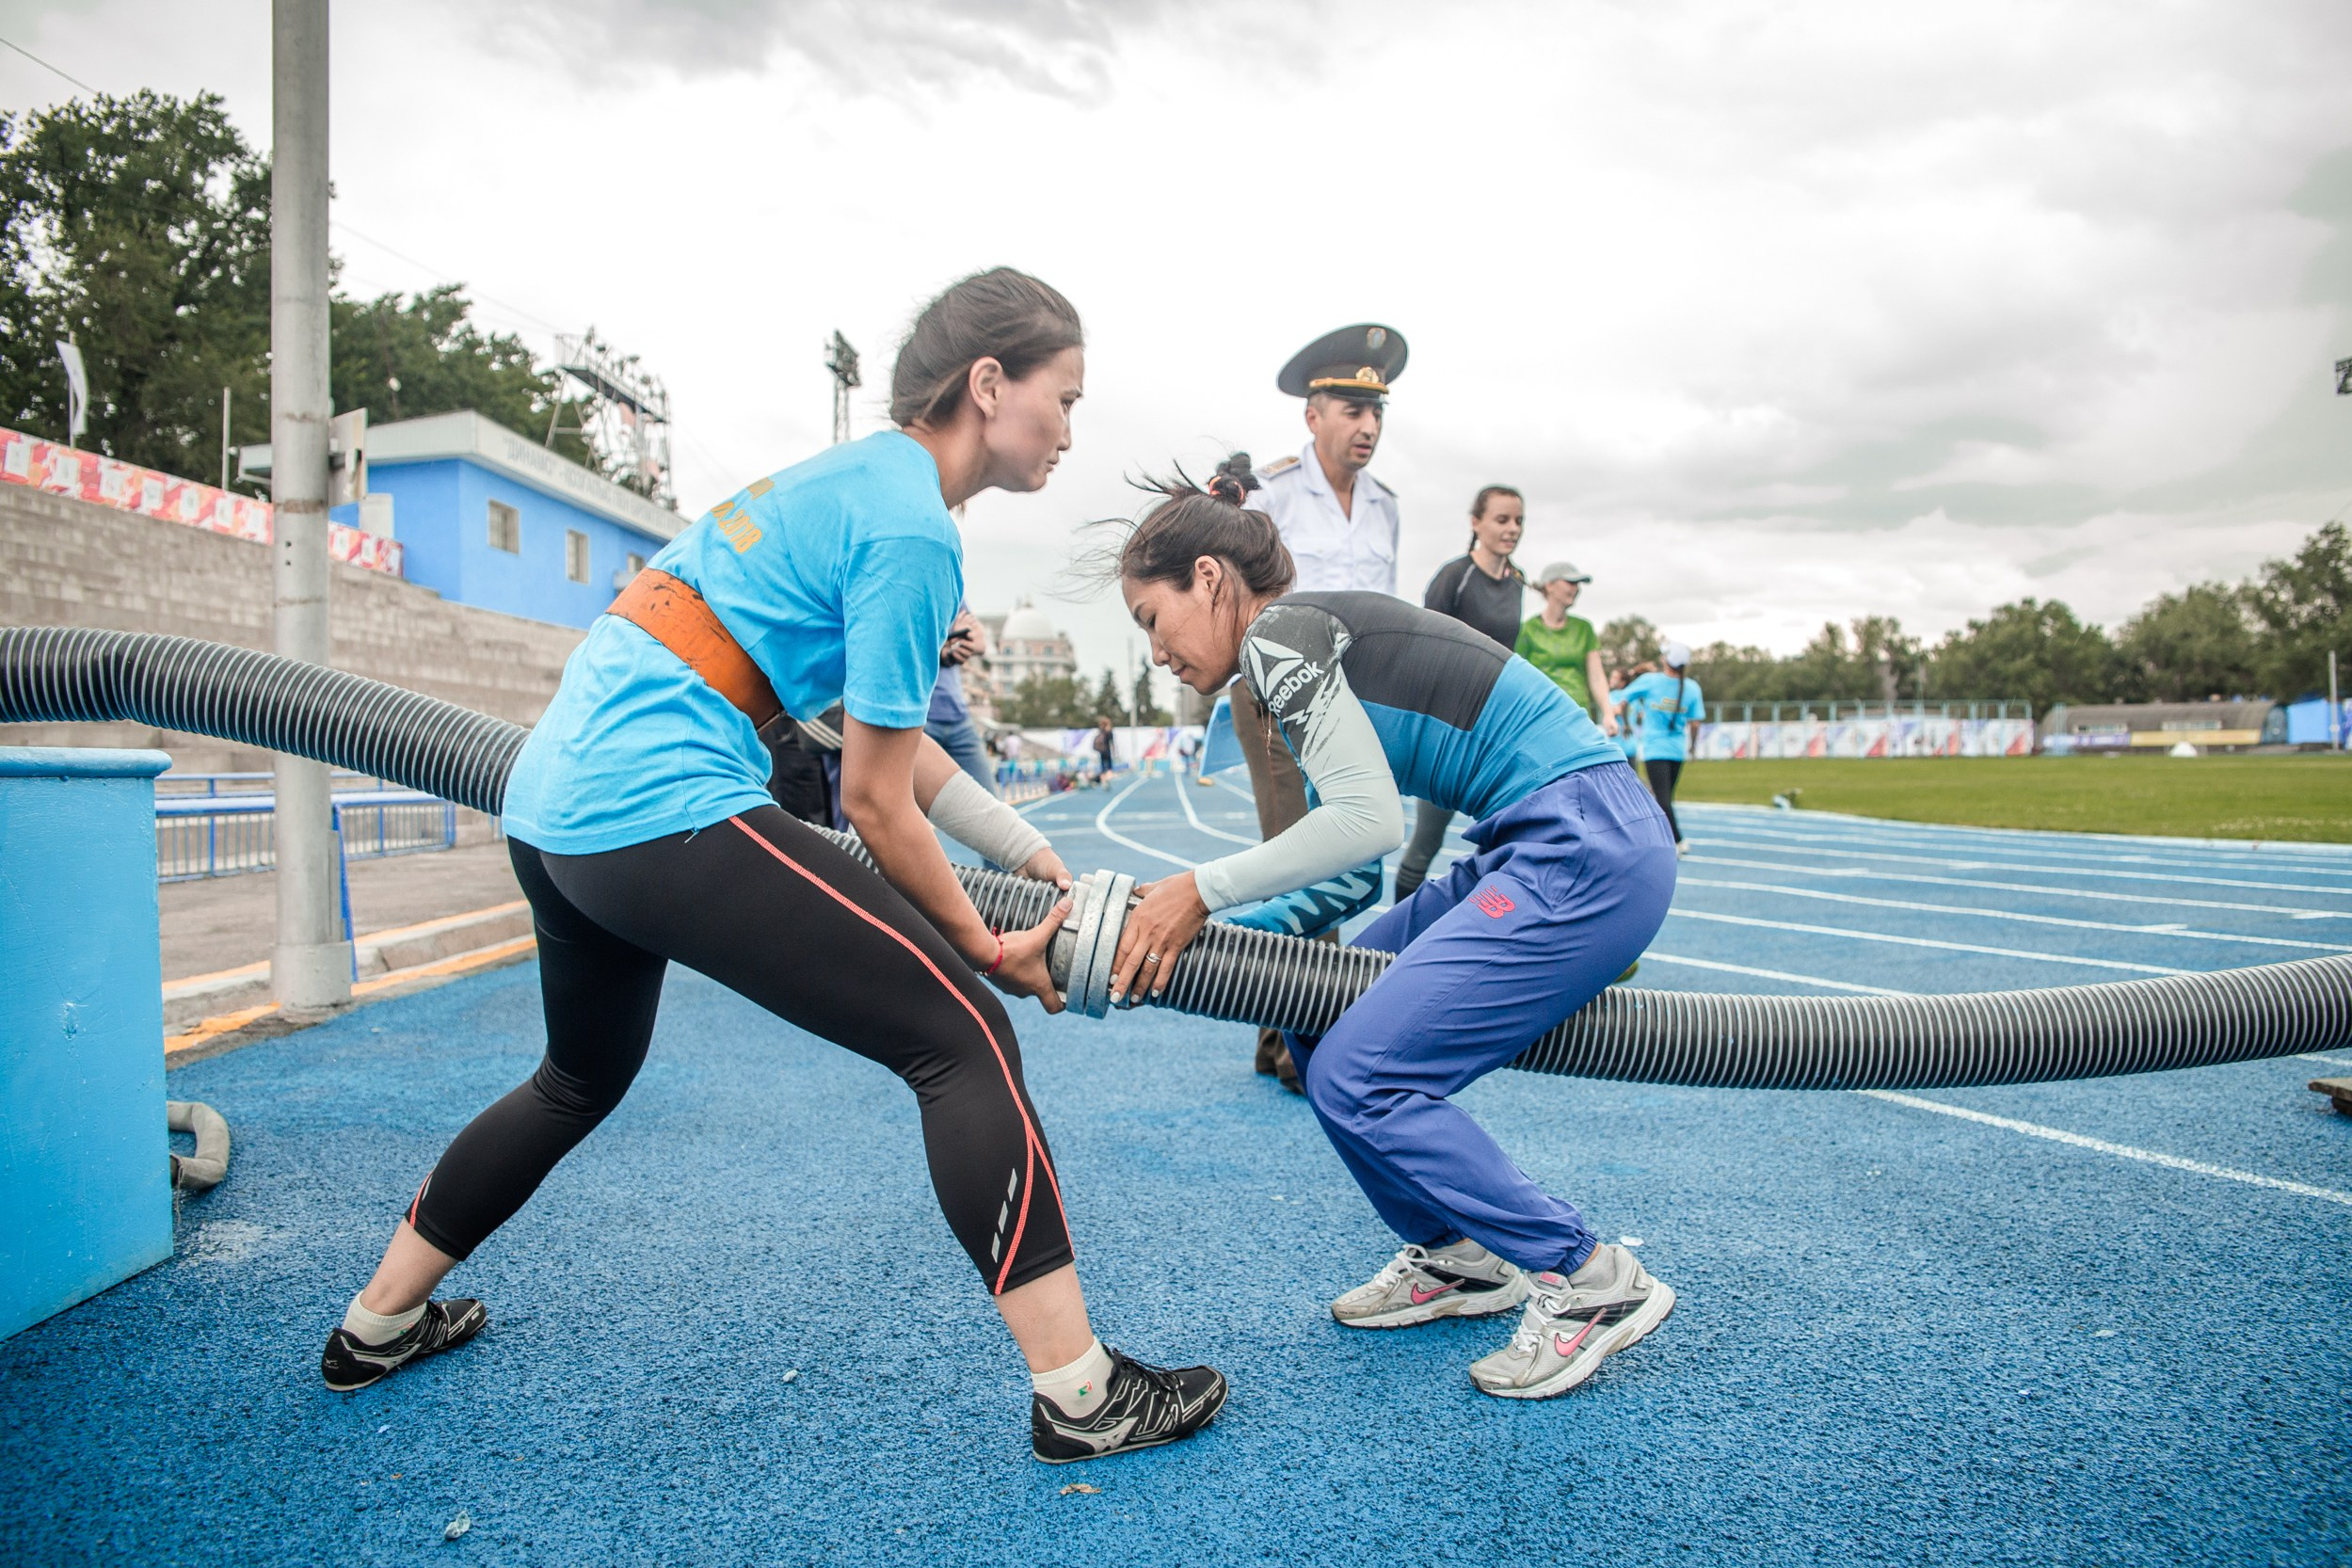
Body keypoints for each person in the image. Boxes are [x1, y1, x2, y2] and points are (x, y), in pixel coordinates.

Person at [317, 269, 1227, 1465]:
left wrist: (1031, 851)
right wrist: (981, 944)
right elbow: (875, 804)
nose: (1069, 427)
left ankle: (374, 1324)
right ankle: (1082, 1392)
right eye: (1064, 396)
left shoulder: (851, 486)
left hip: (552, 809)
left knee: (576, 1078)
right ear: (990, 384)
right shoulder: (913, 528)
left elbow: (878, 741)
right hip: (654, 804)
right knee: (961, 1037)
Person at [1102, 461, 1680, 1400]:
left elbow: (1365, 822)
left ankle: (1586, 1276)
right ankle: (1458, 1256)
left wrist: (1198, 894)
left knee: (1365, 1073)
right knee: (1312, 1013)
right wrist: (1214, 932)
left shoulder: (1283, 637)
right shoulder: (1295, 645)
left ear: (1208, 581)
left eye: (1150, 620)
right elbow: (1358, 867)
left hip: (1583, 847)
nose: (1155, 652)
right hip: (1536, 842)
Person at [1230, 323, 1409, 1091]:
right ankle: (1305, 1042)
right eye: (1349, 409)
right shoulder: (1265, 492)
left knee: (1345, 861)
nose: (1366, 427)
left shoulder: (1385, 505)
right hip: (1275, 699)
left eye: (1376, 412)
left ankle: (1285, 1036)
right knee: (1301, 862)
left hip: (1351, 703)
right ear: (1312, 415)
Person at [1394, 485, 1531, 903]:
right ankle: (1398, 941)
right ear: (1476, 523)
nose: (1512, 529)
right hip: (1449, 731)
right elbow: (1423, 646)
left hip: (1496, 731)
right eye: (1502, 519)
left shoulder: (1519, 581)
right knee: (1426, 845)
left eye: (1519, 521)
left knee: (1507, 841)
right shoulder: (1454, 576)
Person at [1621, 642, 1703, 854]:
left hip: (1655, 748)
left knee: (1662, 799)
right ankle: (1663, 839)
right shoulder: (1692, 687)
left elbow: (1623, 698)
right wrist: (1692, 748)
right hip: (1677, 749)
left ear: (1665, 660)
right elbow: (1695, 723)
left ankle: (1676, 841)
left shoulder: (1651, 681)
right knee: (1665, 798)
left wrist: (1626, 721)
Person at [1515, 562, 1613, 728]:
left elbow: (1596, 676)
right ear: (1550, 585)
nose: (1576, 589)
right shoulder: (1528, 629)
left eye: (1578, 584)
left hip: (1579, 716)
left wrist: (1608, 713)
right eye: (1571, 583)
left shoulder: (1584, 628)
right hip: (1542, 717)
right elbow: (1518, 678)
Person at [925, 603, 995, 790]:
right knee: (910, 810)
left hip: (958, 716)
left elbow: (979, 642)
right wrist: (946, 642)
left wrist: (951, 643)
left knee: (990, 807)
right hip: (919, 717)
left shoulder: (952, 583)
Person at [1090, 714, 1116, 785]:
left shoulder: (1101, 731)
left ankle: (1104, 780)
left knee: (1103, 767)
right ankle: (1107, 779)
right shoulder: (1109, 732)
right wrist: (1114, 752)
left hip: (1101, 751)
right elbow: (1111, 743)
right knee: (1109, 767)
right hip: (1107, 751)